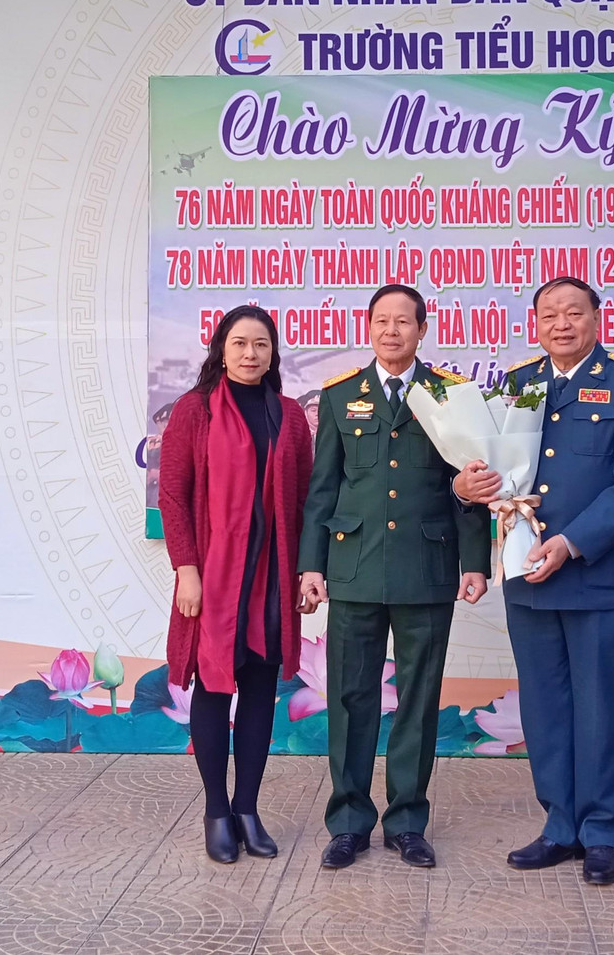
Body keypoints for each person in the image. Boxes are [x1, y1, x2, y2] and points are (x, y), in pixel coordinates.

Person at [463, 276, 614, 886]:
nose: (562, 324)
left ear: (597, 319)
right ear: (535, 323)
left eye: (574, 312)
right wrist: (473, 484)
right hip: (528, 575)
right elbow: (496, 469)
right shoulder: (518, 384)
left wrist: (571, 542)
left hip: (597, 575)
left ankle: (602, 833)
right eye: (549, 314)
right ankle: (559, 826)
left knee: (601, 708)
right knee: (545, 707)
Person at [298, 284, 493, 870]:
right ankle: (348, 823)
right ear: (369, 327)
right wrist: (312, 565)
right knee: (350, 699)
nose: (391, 331)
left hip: (425, 569)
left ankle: (408, 822)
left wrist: (474, 562)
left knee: (418, 699)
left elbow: (471, 483)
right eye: (381, 321)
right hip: (353, 569)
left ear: (422, 329)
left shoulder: (451, 395)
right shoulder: (340, 396)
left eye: (403, 321)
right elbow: (323, 490)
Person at [159, 305, 315, 865]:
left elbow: (304, 500)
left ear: (273, 355)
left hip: (270, 577)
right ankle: (217, 811)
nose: (251, 353)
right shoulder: (194, 410)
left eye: (262, 345)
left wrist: (306, 570)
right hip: (213, 579)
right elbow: (172, 495)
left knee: (259, 690)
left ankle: (248, 809)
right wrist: (187, 569)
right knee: (213, 688)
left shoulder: (289, 416)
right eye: (240, 343)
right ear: (221, 350)